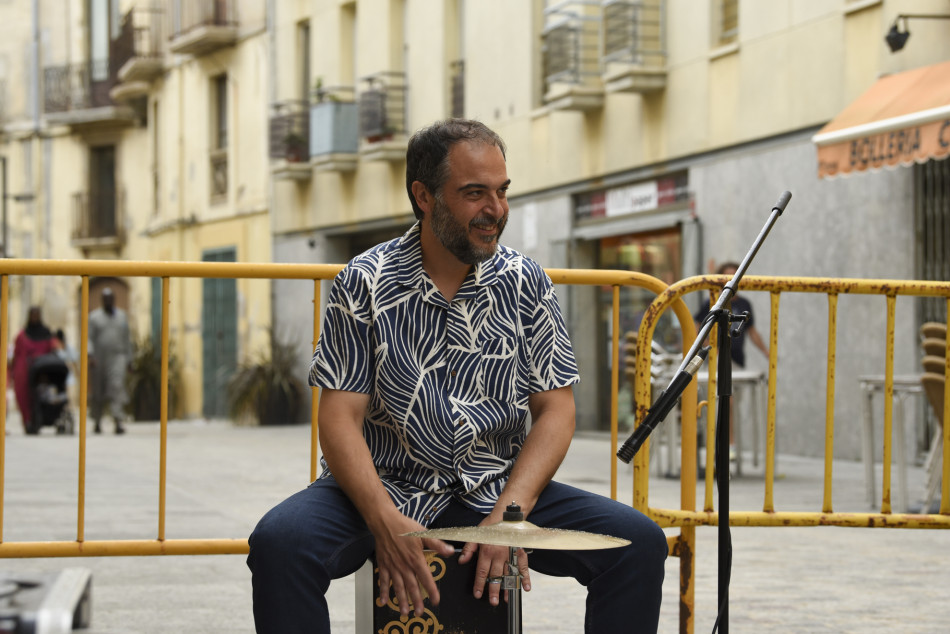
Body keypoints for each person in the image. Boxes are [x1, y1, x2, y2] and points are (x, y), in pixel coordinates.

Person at [247, 119, 668, 633]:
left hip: (497, 484)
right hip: (384, 485)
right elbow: (338, 417)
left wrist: (512, 511)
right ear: (423, 196)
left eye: (501, 191)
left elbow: (556, 408)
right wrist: (382, 519)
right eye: (474, 193)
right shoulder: (365, 281)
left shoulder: (524, 281)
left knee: (638, 545)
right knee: (279, 545)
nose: (495, 210)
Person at [693, 260, 770, 459]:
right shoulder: (712, 301)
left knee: (731, 403)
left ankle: (727, 443)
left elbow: (752, 331)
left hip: (737, 360)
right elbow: (698, 326)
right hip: (715, 357)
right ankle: (726, 444)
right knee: (724, 401)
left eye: (735, 276)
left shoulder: (744, 304)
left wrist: (767, 352)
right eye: (726, 276)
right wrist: (705, 348)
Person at [88, 287, 131, 435]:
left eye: (110, 298)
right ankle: (97, 421)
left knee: (116, 387)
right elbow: (89, 338)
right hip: (99, 358)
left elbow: (127, 339)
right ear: (102, 300)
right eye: (105, 298)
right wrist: (90, 355)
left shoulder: (122, 316)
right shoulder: (94, 317)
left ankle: (118, 420)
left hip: (117, 356)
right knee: (98, 391)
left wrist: (129, 359)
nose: (108, 301)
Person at [10, 306, 56, 434]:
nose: (35, 317)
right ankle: (27, 421)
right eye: (33, 315)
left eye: (37, 315)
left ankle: (40, 419)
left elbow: (53, 349)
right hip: (24, 369)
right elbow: (16, 353)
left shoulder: (47, 334)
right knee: (23, 395)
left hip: (42, 369)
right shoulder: (22, 335)